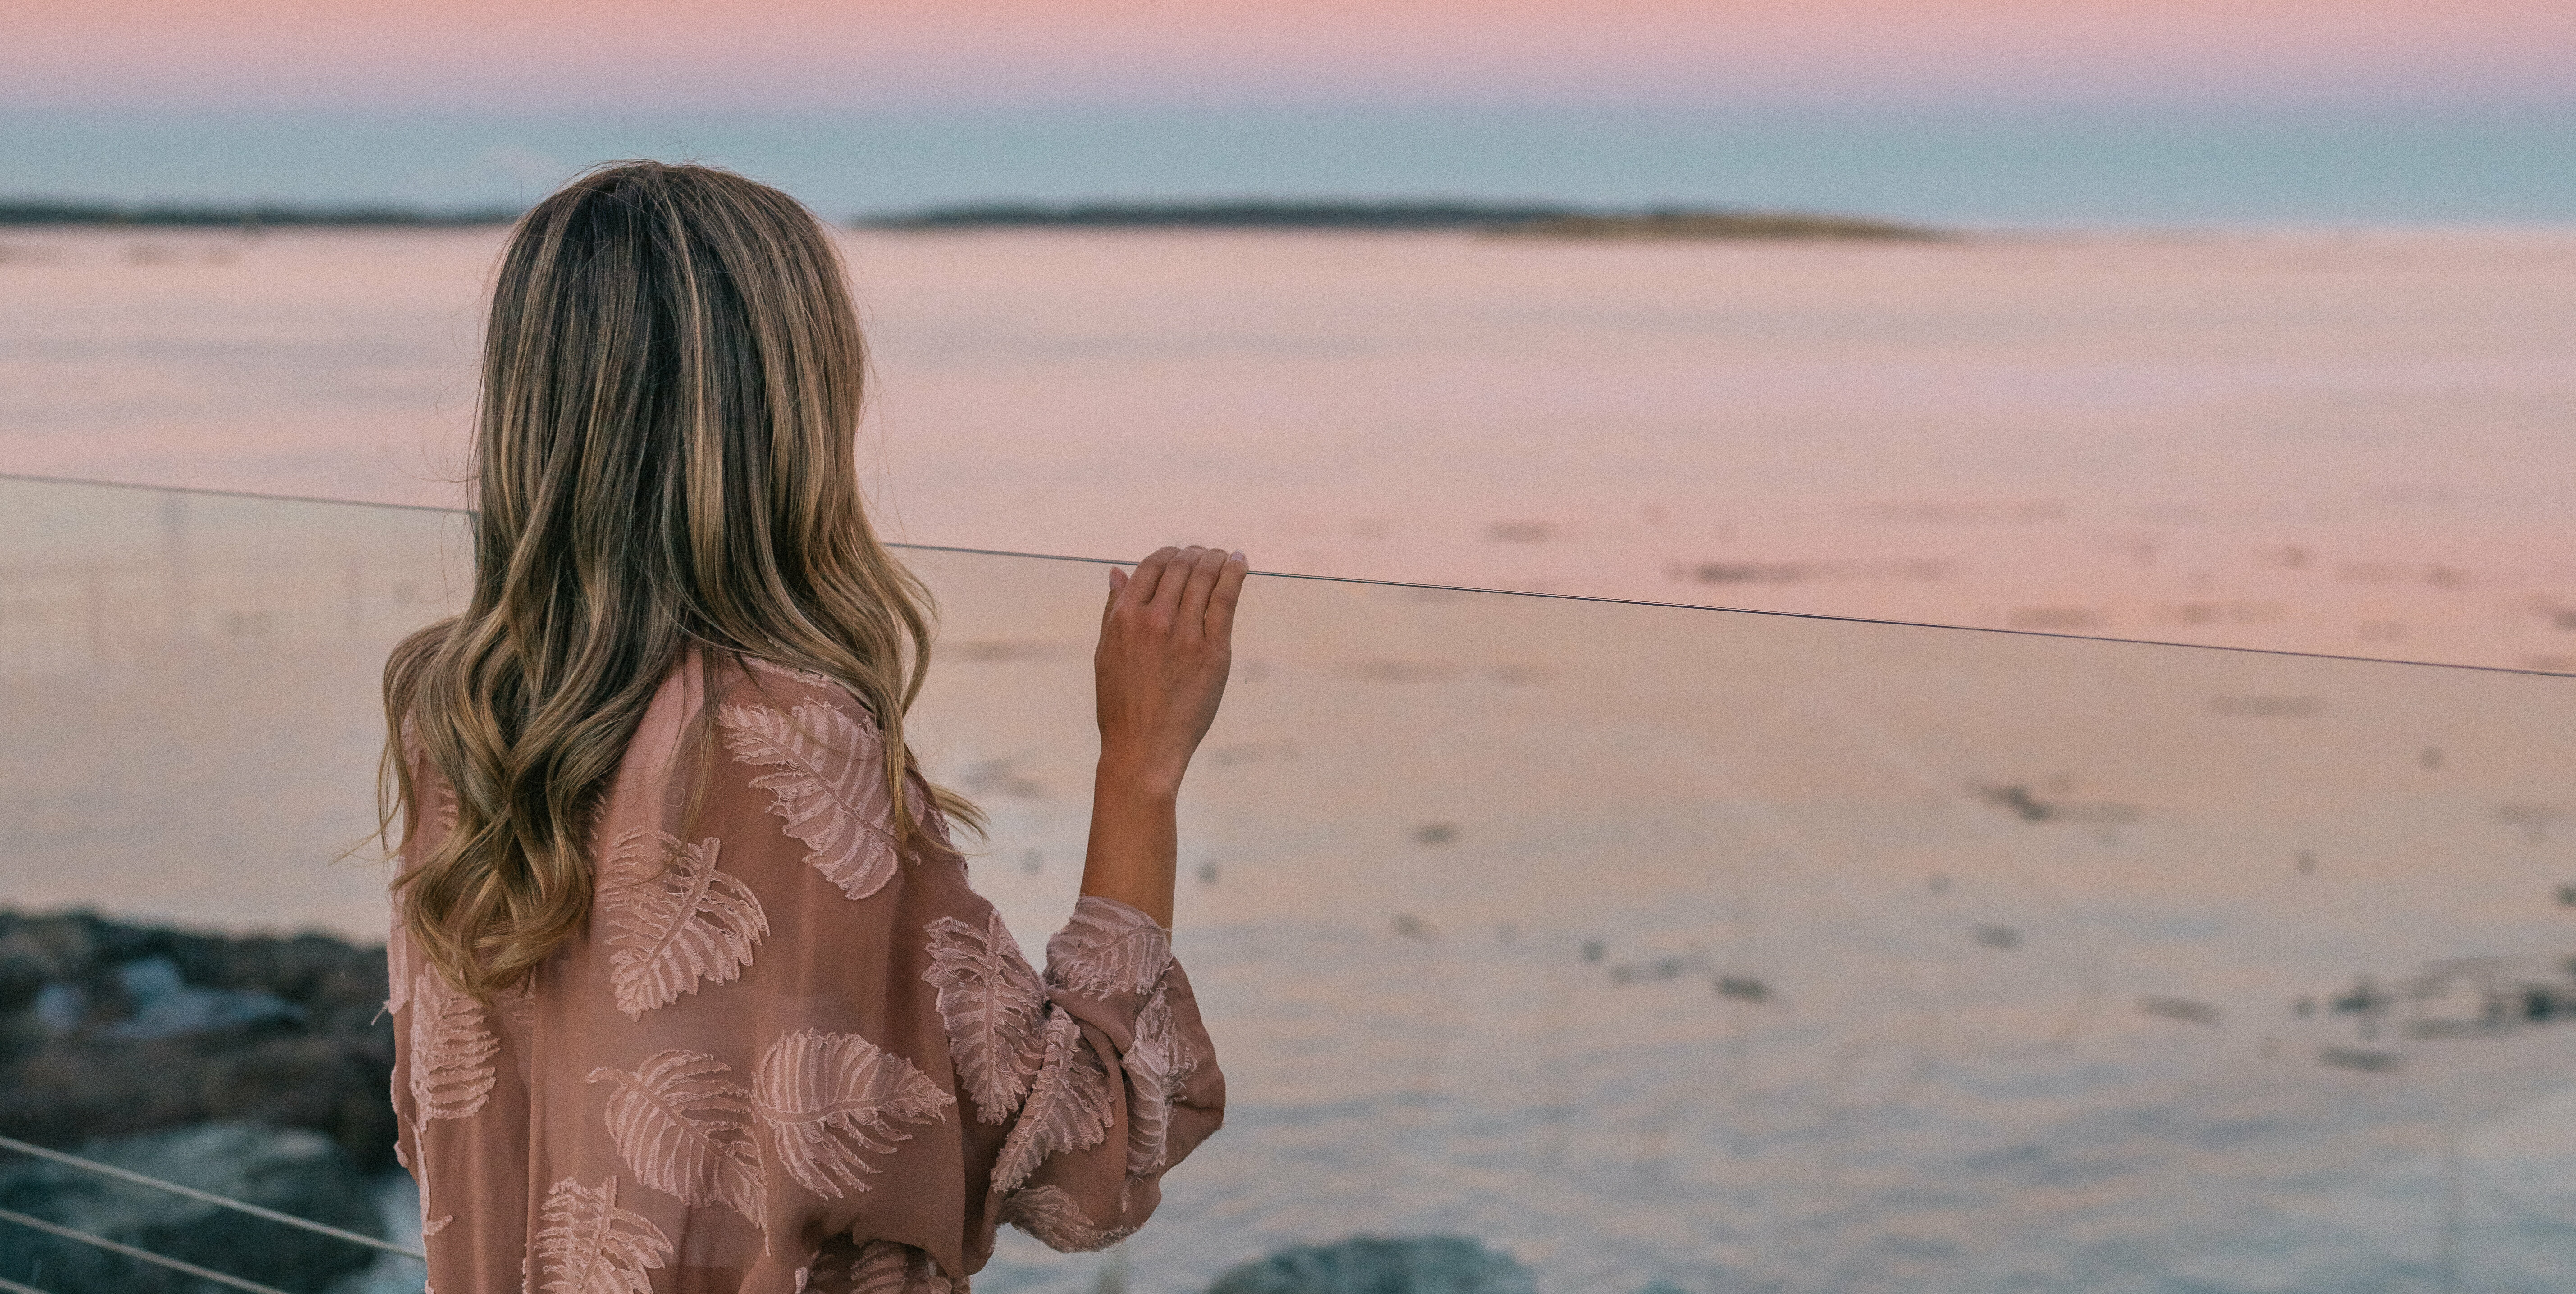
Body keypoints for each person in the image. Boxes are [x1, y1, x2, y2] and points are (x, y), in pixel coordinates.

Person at [379, 161, 1244, 1294]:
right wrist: (1140, 765)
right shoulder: (784, 742)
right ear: (789, 411)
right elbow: (1080, 1166)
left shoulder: (458, 711)